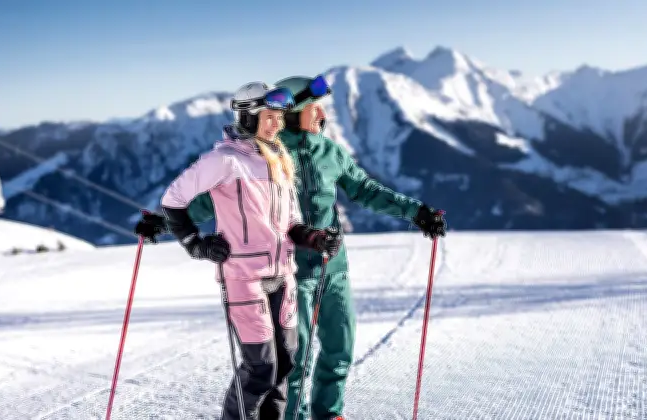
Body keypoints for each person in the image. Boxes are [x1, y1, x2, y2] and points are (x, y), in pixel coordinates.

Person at [135, 74, 447, 420]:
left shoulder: (328, 151)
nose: (322, 116)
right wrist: (164, 223)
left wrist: (416, 212)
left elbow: (366, 190)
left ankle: (329, 413)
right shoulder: (263, 153)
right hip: (291, 271)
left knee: (339, 348)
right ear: (295, 112)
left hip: (333, 266)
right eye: (315, 108)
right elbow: (213, 200)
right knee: (291, 363)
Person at [157, 81, 342, 420]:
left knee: (285, 363)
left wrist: (315, 238)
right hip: (244, 277)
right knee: (261, 368)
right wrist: (194, 243)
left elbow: (291, 222)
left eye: (280, 118)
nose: (277, 125)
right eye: (269, 117)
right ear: (247, 117)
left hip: (282, 275)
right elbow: (173, 199)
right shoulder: (225, 160)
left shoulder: (279, 159)